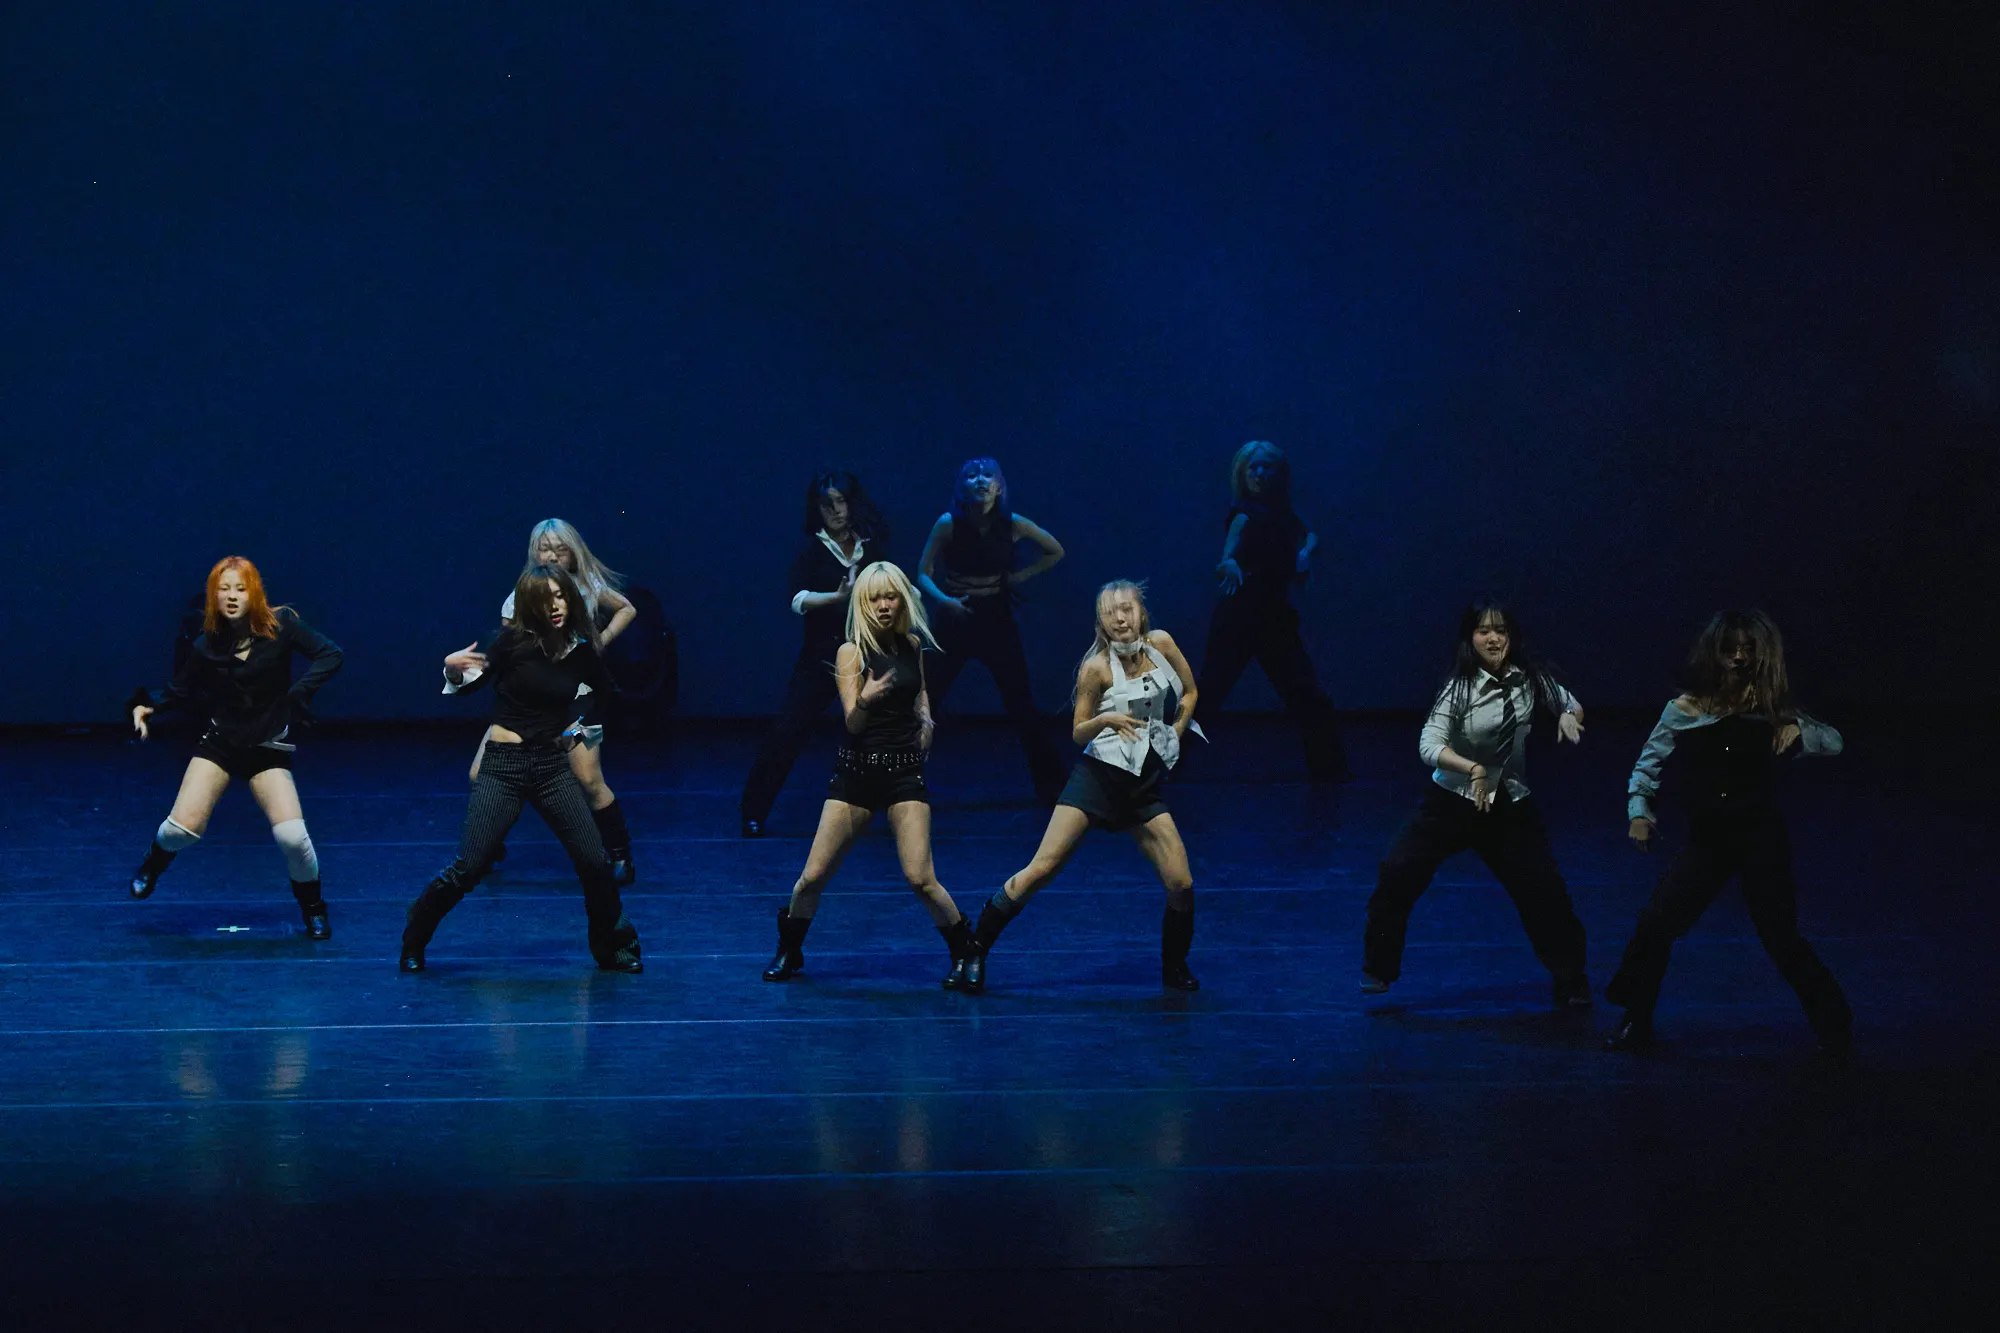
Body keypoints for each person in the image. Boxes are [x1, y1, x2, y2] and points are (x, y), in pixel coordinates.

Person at [1604, 610, 1852, 1055]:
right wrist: (1639, 811)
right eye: (1730, 649)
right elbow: (1648, 765)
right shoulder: (1686, 710)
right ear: (1714, 654)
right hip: (1709, 841)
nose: (1739, 658)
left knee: (1781, 937)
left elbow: (1834, 742)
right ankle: (1636, 1019)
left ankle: (1835, 1028)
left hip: (1759, 838)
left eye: (1747, 650)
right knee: (1656, 923)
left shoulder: (1772, 709)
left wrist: (1797, 728)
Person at [399, 563, 642, 974]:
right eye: (545, 600)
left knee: (593, 862)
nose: (555, 606)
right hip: (504, 767)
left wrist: (576, 732)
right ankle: (415, 933)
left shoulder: (581, 651)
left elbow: (602, 695)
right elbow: (471, 683)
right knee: (470, 866)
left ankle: (614, 947)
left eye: (560, 596)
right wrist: (451, 669)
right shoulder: (513, 643)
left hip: (550, 766)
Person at [964, 581, 1204, 993]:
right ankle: (974, 949)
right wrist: (1105, 720)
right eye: (1111, 613)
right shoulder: (1096, 667)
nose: (1120, 619)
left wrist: (1177, 730)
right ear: (1101, 622)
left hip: (1142, 785)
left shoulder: (1162, 645)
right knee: (1042, 868)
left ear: (1142, 612)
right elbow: (1077, 732)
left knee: (1180, 882)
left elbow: (1191, 691)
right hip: (1098, 780)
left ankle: (1174, 966)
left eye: (1127, 609)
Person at [1360, 597, 1592, 1006]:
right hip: (1452, 801)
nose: (1493, 638)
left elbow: (1568, 702)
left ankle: (1571, 978)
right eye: (1484, 630)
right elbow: (1429, 745)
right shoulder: (1459, 688)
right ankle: (1379, 968)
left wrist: (1569, 715)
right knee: (1397, 872)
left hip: (1509, 804)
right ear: (1470, 638)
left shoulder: (1531, 678)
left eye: (1500, 630)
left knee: (1545, 892)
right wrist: (1472, 769)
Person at [760, 562, 976, 989]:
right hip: (856, 774)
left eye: (890, 597)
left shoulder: (911, 645)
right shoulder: (851, 652)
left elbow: (920, 692)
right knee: (813, 877)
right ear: (862, 603)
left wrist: (927, 722)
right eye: (874, 598)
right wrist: (867, 698)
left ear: (901, 601)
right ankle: (789, 948)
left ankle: (967, 951)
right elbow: (853, 723)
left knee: (920, 878)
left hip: (903, 772)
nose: (883, 605)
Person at [128, 557, 343, 939]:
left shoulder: (282, 625)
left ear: (253, 593)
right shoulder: (206, 644)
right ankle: (153, 863)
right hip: (221, 744)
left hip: (267, 746)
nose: (231, 597)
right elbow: (180, 689)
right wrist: (150, 706)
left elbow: (331, 654)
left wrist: (298, 695)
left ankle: (313, 908)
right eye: (224, 589)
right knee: (181, 831)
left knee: (293, 838)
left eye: (240, 589)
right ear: (214, 596)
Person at [477, 519, 639, 882]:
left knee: (588, 778)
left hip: (580, 702)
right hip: (533, 705)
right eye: (545, 549)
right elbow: (508, 653)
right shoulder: (519, 596)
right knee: (480, 773)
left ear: (573, 552)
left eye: (560, 549)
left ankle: (620, 856)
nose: (552, 556)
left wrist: (599, 641)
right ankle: (487, 847)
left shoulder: (586, 585)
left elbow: (626, 608)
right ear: (534, 552)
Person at [739, 469, 889, 837]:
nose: (836, 511)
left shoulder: (871, 545)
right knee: (787, 732)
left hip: (866, 655)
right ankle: (753, 811)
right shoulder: (813, 550)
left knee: (881, 731)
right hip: (822, 655)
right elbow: (798, 599)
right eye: (827, 505)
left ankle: (893, 808)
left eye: (841, 502)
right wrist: (837, 597)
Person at [915, 457, 1069, 803]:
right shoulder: (948, 524)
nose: (981, 481)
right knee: (927, 699)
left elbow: (1055, 550)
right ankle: (901, 780)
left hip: (995, 618)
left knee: (1021, 703)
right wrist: (945, 601)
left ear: (999, 486)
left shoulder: (1012, 523)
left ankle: (1054, 787)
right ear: (962, 486)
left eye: (988, 475)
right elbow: (923, 572)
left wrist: (1019, 577)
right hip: (955, 619)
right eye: (972, 476)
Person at [1193, 440, 1348, 781]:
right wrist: (1229, 564)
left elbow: (1310, 534)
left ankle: (1330, 769)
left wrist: (1305, 553)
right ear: (1243, 473)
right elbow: (1228, 554)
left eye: (1267, 467)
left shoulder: (1283, 514)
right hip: (1239, 619)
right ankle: (1159, 767)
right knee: (1207, 696)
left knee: (1306, 693)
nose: (1260, 474)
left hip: (1273, 618)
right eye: (1254, 467)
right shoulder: (1244, 515)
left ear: (1279, 474)